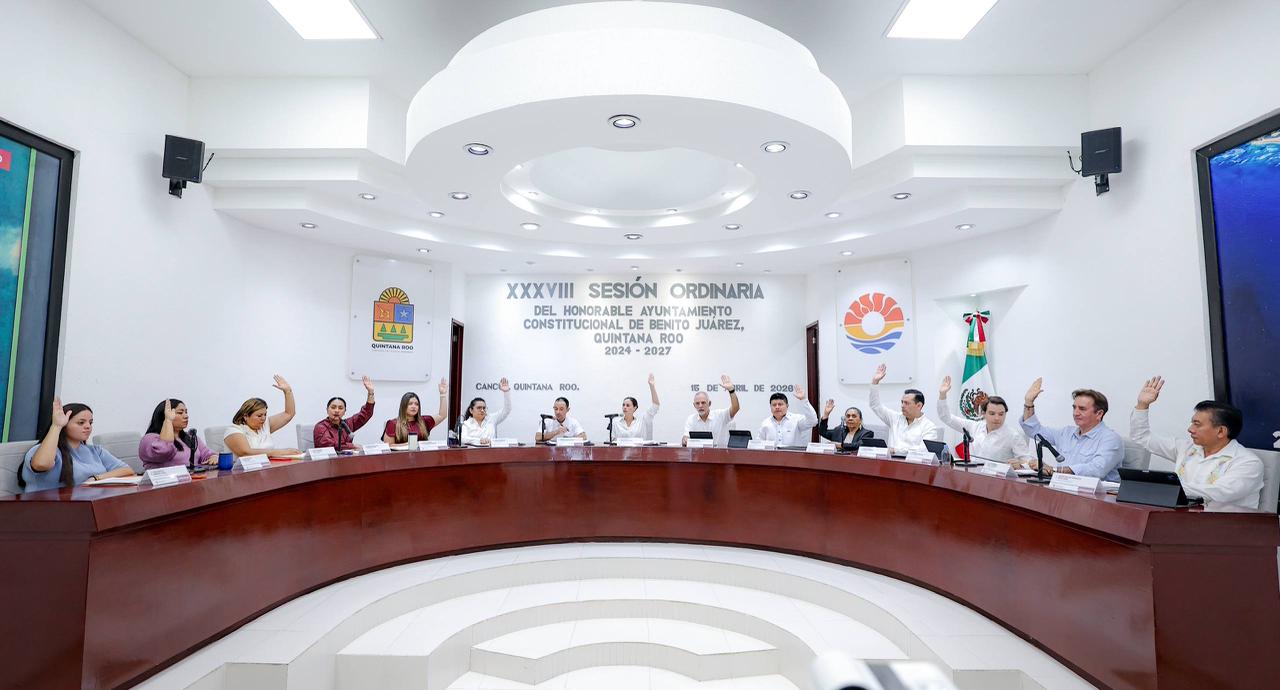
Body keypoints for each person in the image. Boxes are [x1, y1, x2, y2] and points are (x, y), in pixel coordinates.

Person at [1130, 376, 1264, 511]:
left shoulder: (1247, 462)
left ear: (1221, 431)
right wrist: (1142, 405)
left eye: (1197, 424)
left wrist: (1166, 487)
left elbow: (1218, 493)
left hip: (1226, 523)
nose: (1190, 429)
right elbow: (1142, 438)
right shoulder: (1186, 448)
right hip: (1183, 518)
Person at [1018, 377, 1123, 481]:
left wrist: (1054, 470)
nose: (1075, 413)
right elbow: (1034, 431)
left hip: (1095, 491)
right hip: (1063, 487)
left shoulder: (1111, 439)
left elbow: (1096, 470)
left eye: (1082, 409)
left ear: (1099, 414)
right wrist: (1028, 403)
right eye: (1074, 407)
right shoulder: (1066, 433)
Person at [20, 399, 134, 492]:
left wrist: (96, 478)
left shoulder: (95, 450)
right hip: (48, 508)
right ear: (64, 425)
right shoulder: (40, 450)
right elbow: (41, 464)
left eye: (90, 422)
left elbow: (127, 470)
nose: (88, 426)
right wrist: (56, 426)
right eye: (81, 423)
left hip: (89, 505)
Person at [936, 376, 1030, 463]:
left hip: (996, 475)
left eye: (1001, 414)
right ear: (983, 413)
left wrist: (1020, 464)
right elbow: (946, 418)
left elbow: (1028, 462)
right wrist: (942, 395)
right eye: (992, 413)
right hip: (973, 472)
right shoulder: (975, 427)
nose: (997, 418)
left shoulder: (1013, 436)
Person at [868, 364, 940, 454]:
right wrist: (875, 382)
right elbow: (875, 405)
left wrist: (896, 451)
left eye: (907, 403)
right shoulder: (895, 418)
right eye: (902, 402)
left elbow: (923, 451)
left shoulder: (929, 427)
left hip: (912, 462)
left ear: (919, 405)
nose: (902, 406)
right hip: (890, 461)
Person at [223, 375, 301, 457]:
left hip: (268, 464)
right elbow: (245, 452)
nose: (263, 418)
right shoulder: (233, 430)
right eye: (259, 416)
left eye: (265, 414)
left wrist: (288, 391)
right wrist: (280, 452)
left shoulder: (265, 425)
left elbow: (289, 413)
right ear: (245, 416)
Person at [139, 398, 216, 470]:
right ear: (164, 416)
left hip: (194, 478)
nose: (186, 416)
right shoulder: (148, 439)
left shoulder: (190, 437)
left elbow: (207, 454)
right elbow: (164, 451)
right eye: (180, 413)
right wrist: (168, 420)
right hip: (165, 479)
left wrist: (213, 457)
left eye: (186, 412)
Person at [314, 376, 376, 451]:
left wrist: (370, 392)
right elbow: (328, 445)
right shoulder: (321, 427)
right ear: (327, 410)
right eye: (333, 407)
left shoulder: (346, 424)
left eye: (340, 408)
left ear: (344, 411)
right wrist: (352, 446)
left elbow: (366, 413)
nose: (337, 411)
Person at [383, 379, 448, 445]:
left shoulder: (424, 421)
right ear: (404, 406)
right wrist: (408, 445)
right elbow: (389, 446)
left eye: (416, 404)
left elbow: (442, 415)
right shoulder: (393, 424)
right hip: (403, 452)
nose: (414, 406)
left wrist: (443, 395)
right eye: (410, 404)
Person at [682, 374, 740, 447]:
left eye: (703, 403)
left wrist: (731, 390)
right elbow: (686, 437)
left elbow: (735, 408)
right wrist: (685, 439)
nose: (700, 406)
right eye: (697, 403)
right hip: (699, 453)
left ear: (709, 403)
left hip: (720, 453)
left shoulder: (720, 415)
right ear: (694, 405)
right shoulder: (691, 419)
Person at [460, 377, 512, 445]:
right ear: (471, 410)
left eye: (484, 408)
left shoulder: (492, 419)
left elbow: (507, 409)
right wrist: (479, 441)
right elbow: (462, 439)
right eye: (479, 408)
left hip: (491, 451)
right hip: (474, 451)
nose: (482, 410)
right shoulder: (466, 424)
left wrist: (506, 392)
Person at [615, 373, 660, 440]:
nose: (625, 407)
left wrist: (652, 386)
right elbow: (612, 440)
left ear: (634, 408)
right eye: (623, 405)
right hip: (622, 447)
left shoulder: (643, 419)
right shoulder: (616, 422)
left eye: (628, 405)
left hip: (641, 447)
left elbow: (655, 405)